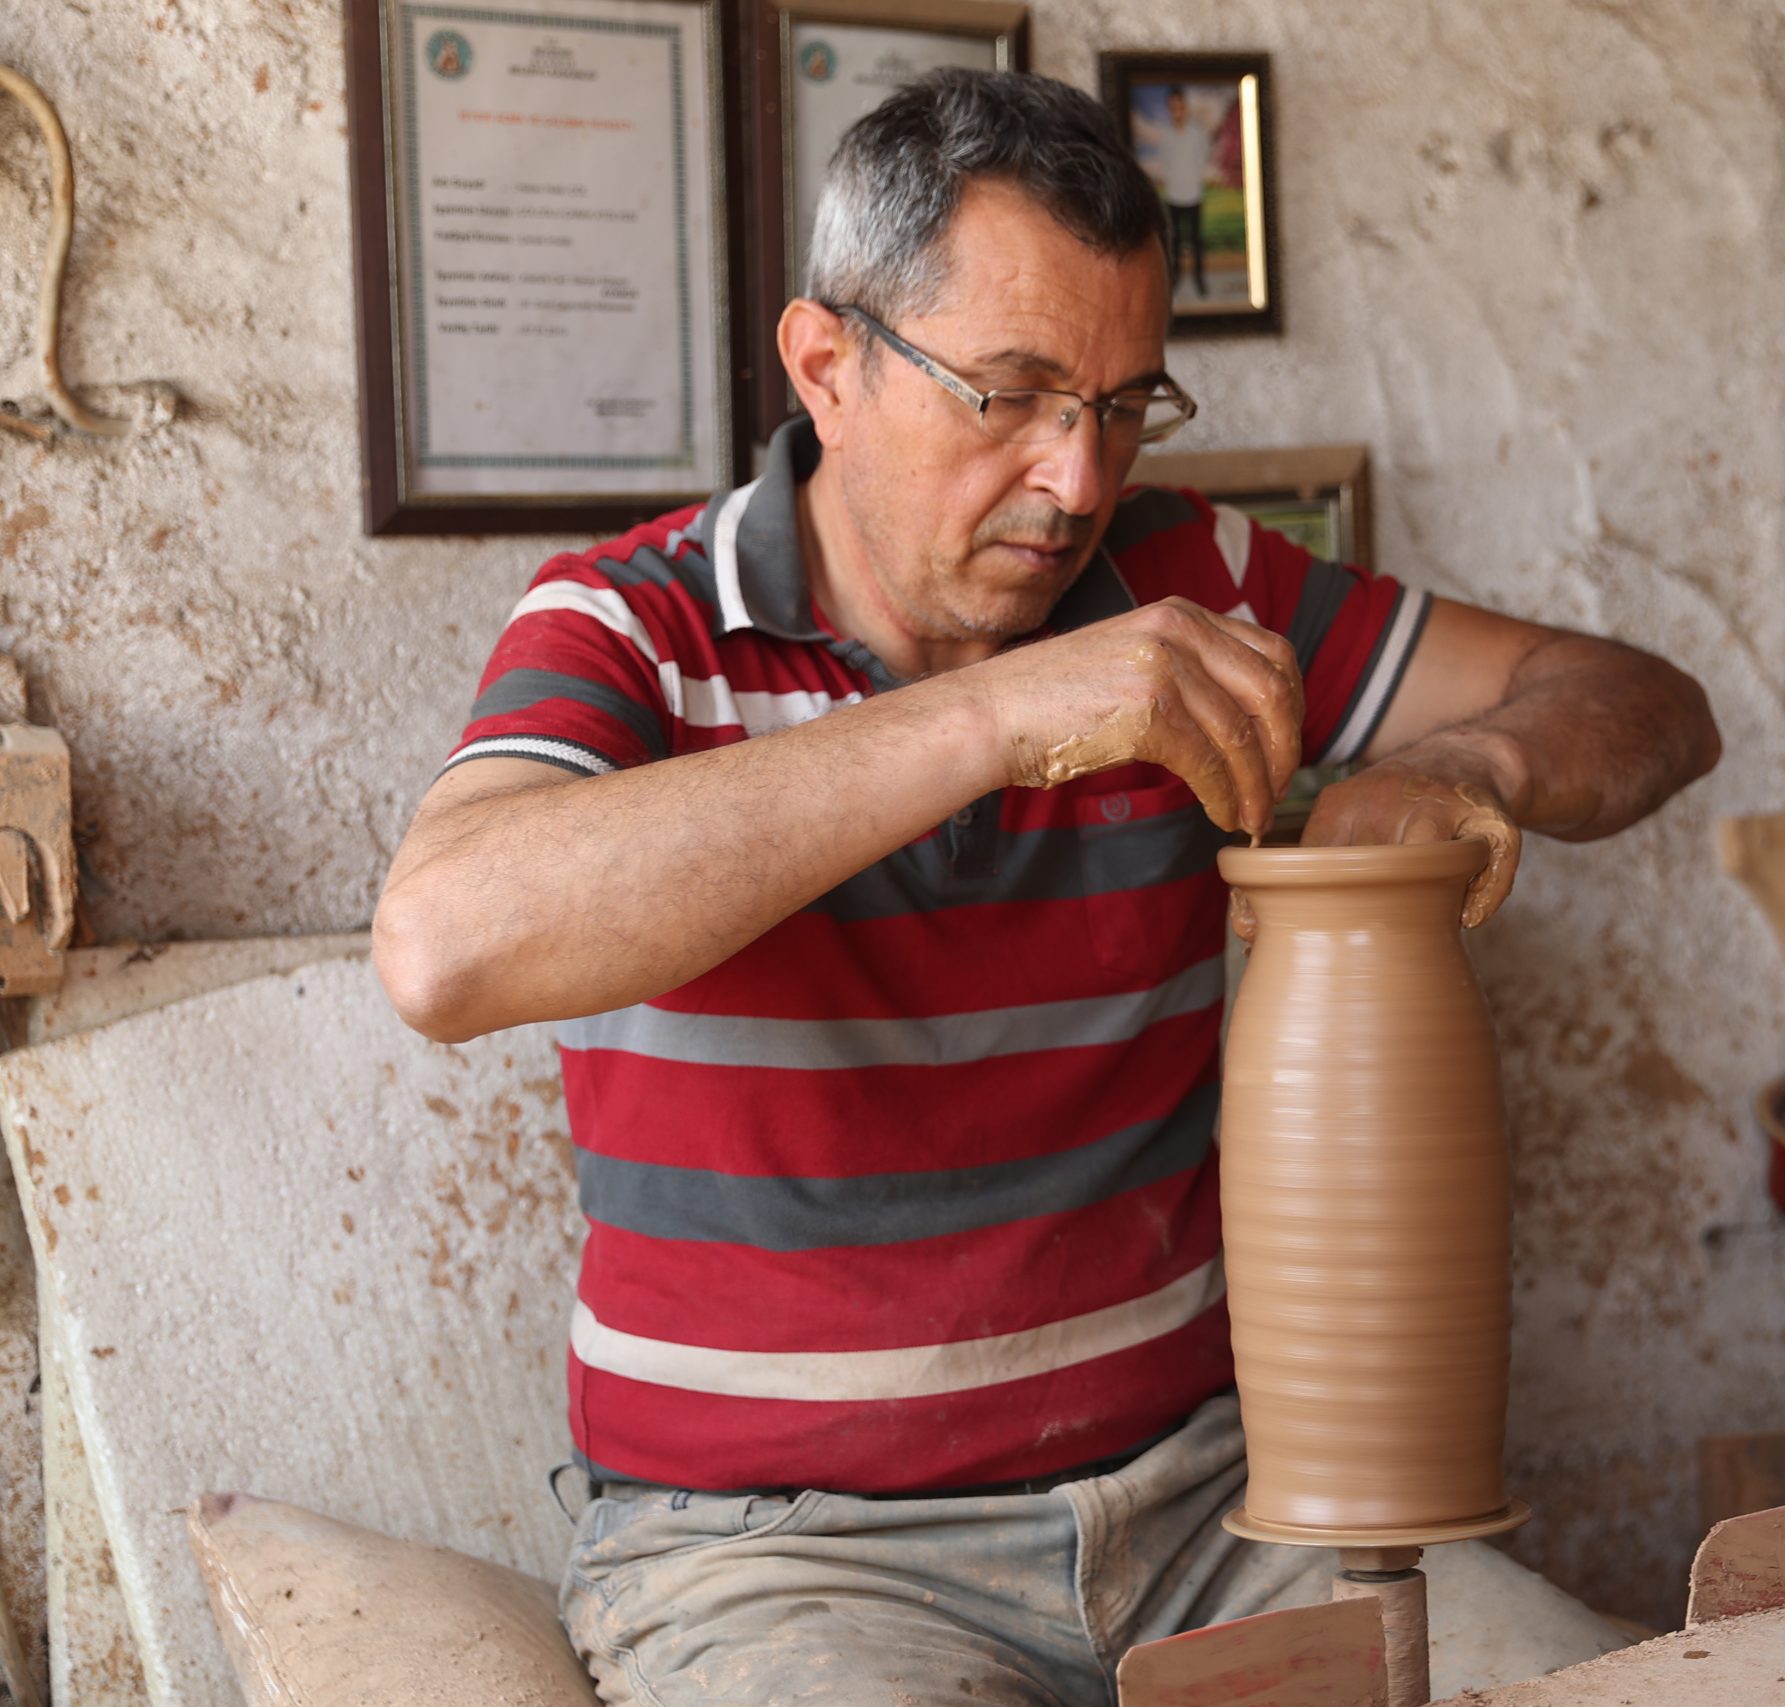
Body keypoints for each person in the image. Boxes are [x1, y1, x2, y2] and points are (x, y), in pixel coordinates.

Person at [373, 68, 1717, 1707]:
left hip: (1221, 1515)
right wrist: (994, 719)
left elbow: (1642, 699)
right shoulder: (634, 627)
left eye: (1125, 403)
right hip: (782, 1558)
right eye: (1007, 395)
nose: (1079, 483)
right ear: (829, 367)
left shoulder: (1188, 579)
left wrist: (1470, 771)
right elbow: (446, 944)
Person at [1151, 85, 1213, 299]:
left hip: (1194, 194)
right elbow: (1165, 163)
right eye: (1173, 108)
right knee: (1175, 240)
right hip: (1173, 195)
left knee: (1196, 240)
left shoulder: (1197, 133)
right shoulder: (1166, 136)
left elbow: (1202, 156)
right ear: (1170, 109)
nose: (1177, 111)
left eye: (1180, 107)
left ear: (1185, 107)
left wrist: (1194, 178)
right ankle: (1175, 277)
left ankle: (1199, 279)